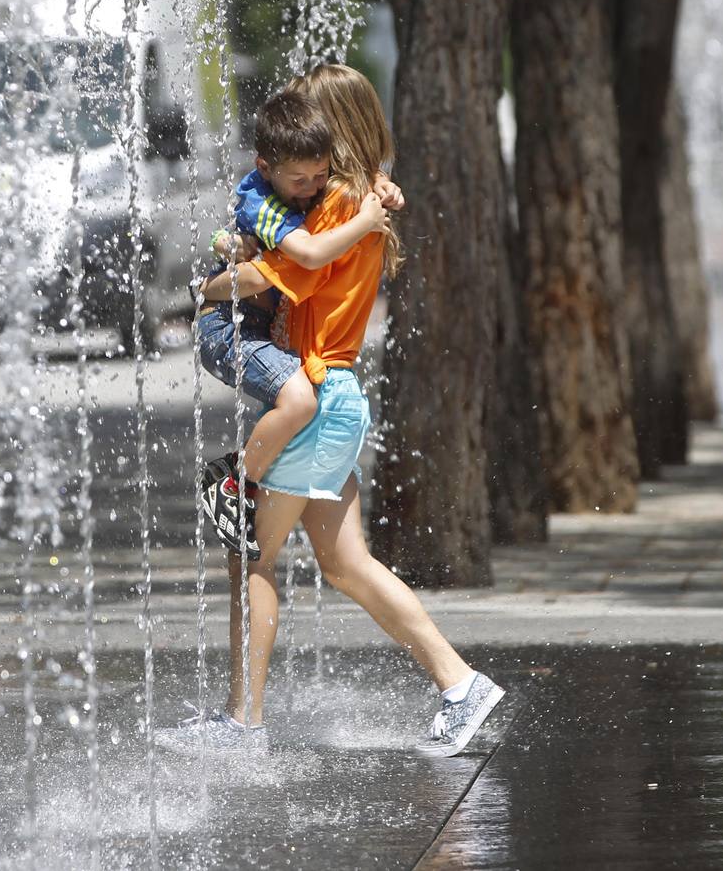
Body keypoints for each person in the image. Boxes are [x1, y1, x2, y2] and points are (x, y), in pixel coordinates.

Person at [159, 64, 504, 758]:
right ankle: (459, 685)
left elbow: (266, 277)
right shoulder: (354, 200)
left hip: (318, 399)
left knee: (250, 556)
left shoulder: (338, 205)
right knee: (345, 565)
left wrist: (205, 285)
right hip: (336, 396)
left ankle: (242, 726)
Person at [196, 87, 399, 561]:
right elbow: (306, 255)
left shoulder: (332, 196)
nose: (310, 187)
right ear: (268, 166)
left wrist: (377, 182)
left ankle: (236, 477)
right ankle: (234, 478)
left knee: (278, 562)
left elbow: (307, 255)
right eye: (300, 178)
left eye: (319, 174)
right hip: (236, 330)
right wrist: (369, 215)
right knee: (319, 563)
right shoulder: (268, 200)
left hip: (313, 375)